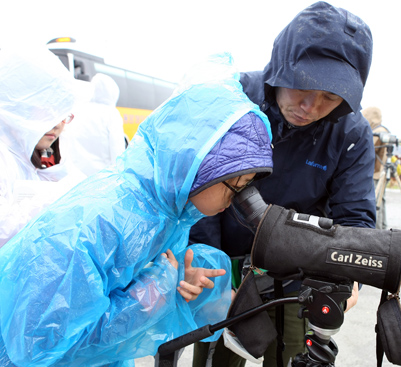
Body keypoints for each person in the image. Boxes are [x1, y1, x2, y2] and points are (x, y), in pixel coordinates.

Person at [0, 53, 273, 367]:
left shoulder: (165, 215)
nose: (241, 196)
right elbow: (41, 347)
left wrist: (178, 281)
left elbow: (127, 289)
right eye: (236, 182)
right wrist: (155, 291)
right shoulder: (100, 223)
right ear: (195, 164)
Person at [190, 2, 376, 366]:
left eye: (330, 96)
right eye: (302, 86)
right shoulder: (233, 98)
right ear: (281, 65)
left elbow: (355, 217)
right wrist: (201, 258)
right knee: (215, 360)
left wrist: (351, 276)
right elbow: (196, 184)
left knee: (293, 357)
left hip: (298, 278)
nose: (310, 106)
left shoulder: (350, 132)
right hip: (221, 264)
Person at [0, 46, 86, 248]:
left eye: (64, 114)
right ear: (17, 107)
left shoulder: (45, 151)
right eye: (48, 112)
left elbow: (65, 178)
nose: (58, 124)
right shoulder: (4, 157)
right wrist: (53, 198)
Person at [62, 73, 126, 177]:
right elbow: (117, 149)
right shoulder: (111, 114)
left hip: (74, 176)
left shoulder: (77, 110)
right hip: (101, 178)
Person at [363, 106, 391, 230]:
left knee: (375, 204)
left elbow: (367, 152)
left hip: (375, 175)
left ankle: (378, 231)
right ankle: (383, 228)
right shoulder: (385, 130)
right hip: (383, 173)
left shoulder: (377, 132)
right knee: (381, 202)